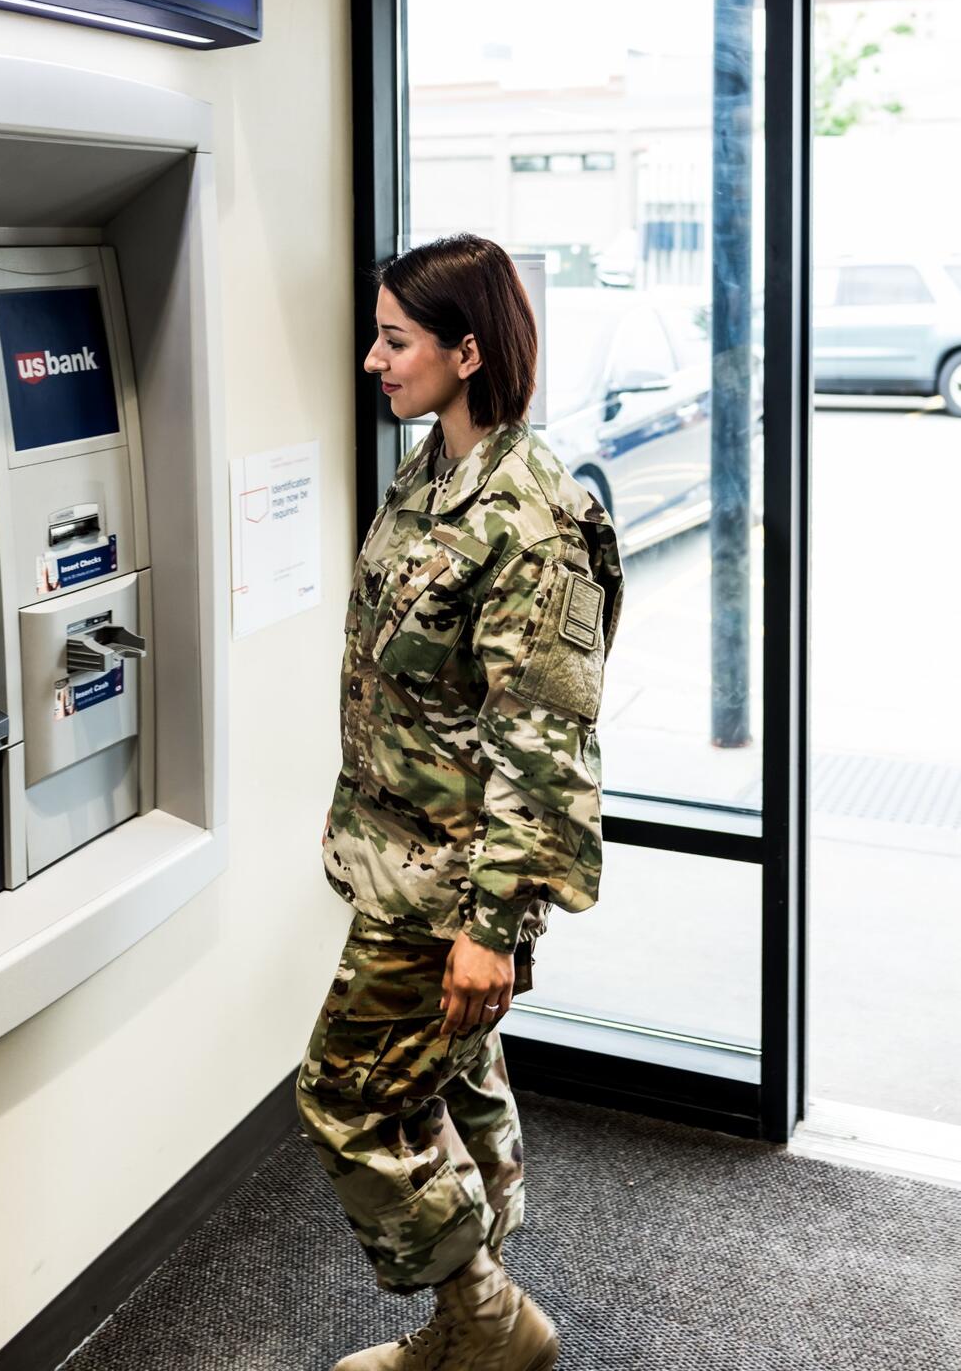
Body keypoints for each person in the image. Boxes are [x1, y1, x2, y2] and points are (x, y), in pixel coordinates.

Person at [296, 234, 623, 1371]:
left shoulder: (531, 521)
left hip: (449, 885)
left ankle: (484, 1317)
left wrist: (492, 929)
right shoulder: (433, 468)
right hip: (399, 856)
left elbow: (545, 749)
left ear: (466, 349)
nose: (373, 359)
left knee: (346, 1098)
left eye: (396, 338)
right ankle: (467, 1311)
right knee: (447, 1079)